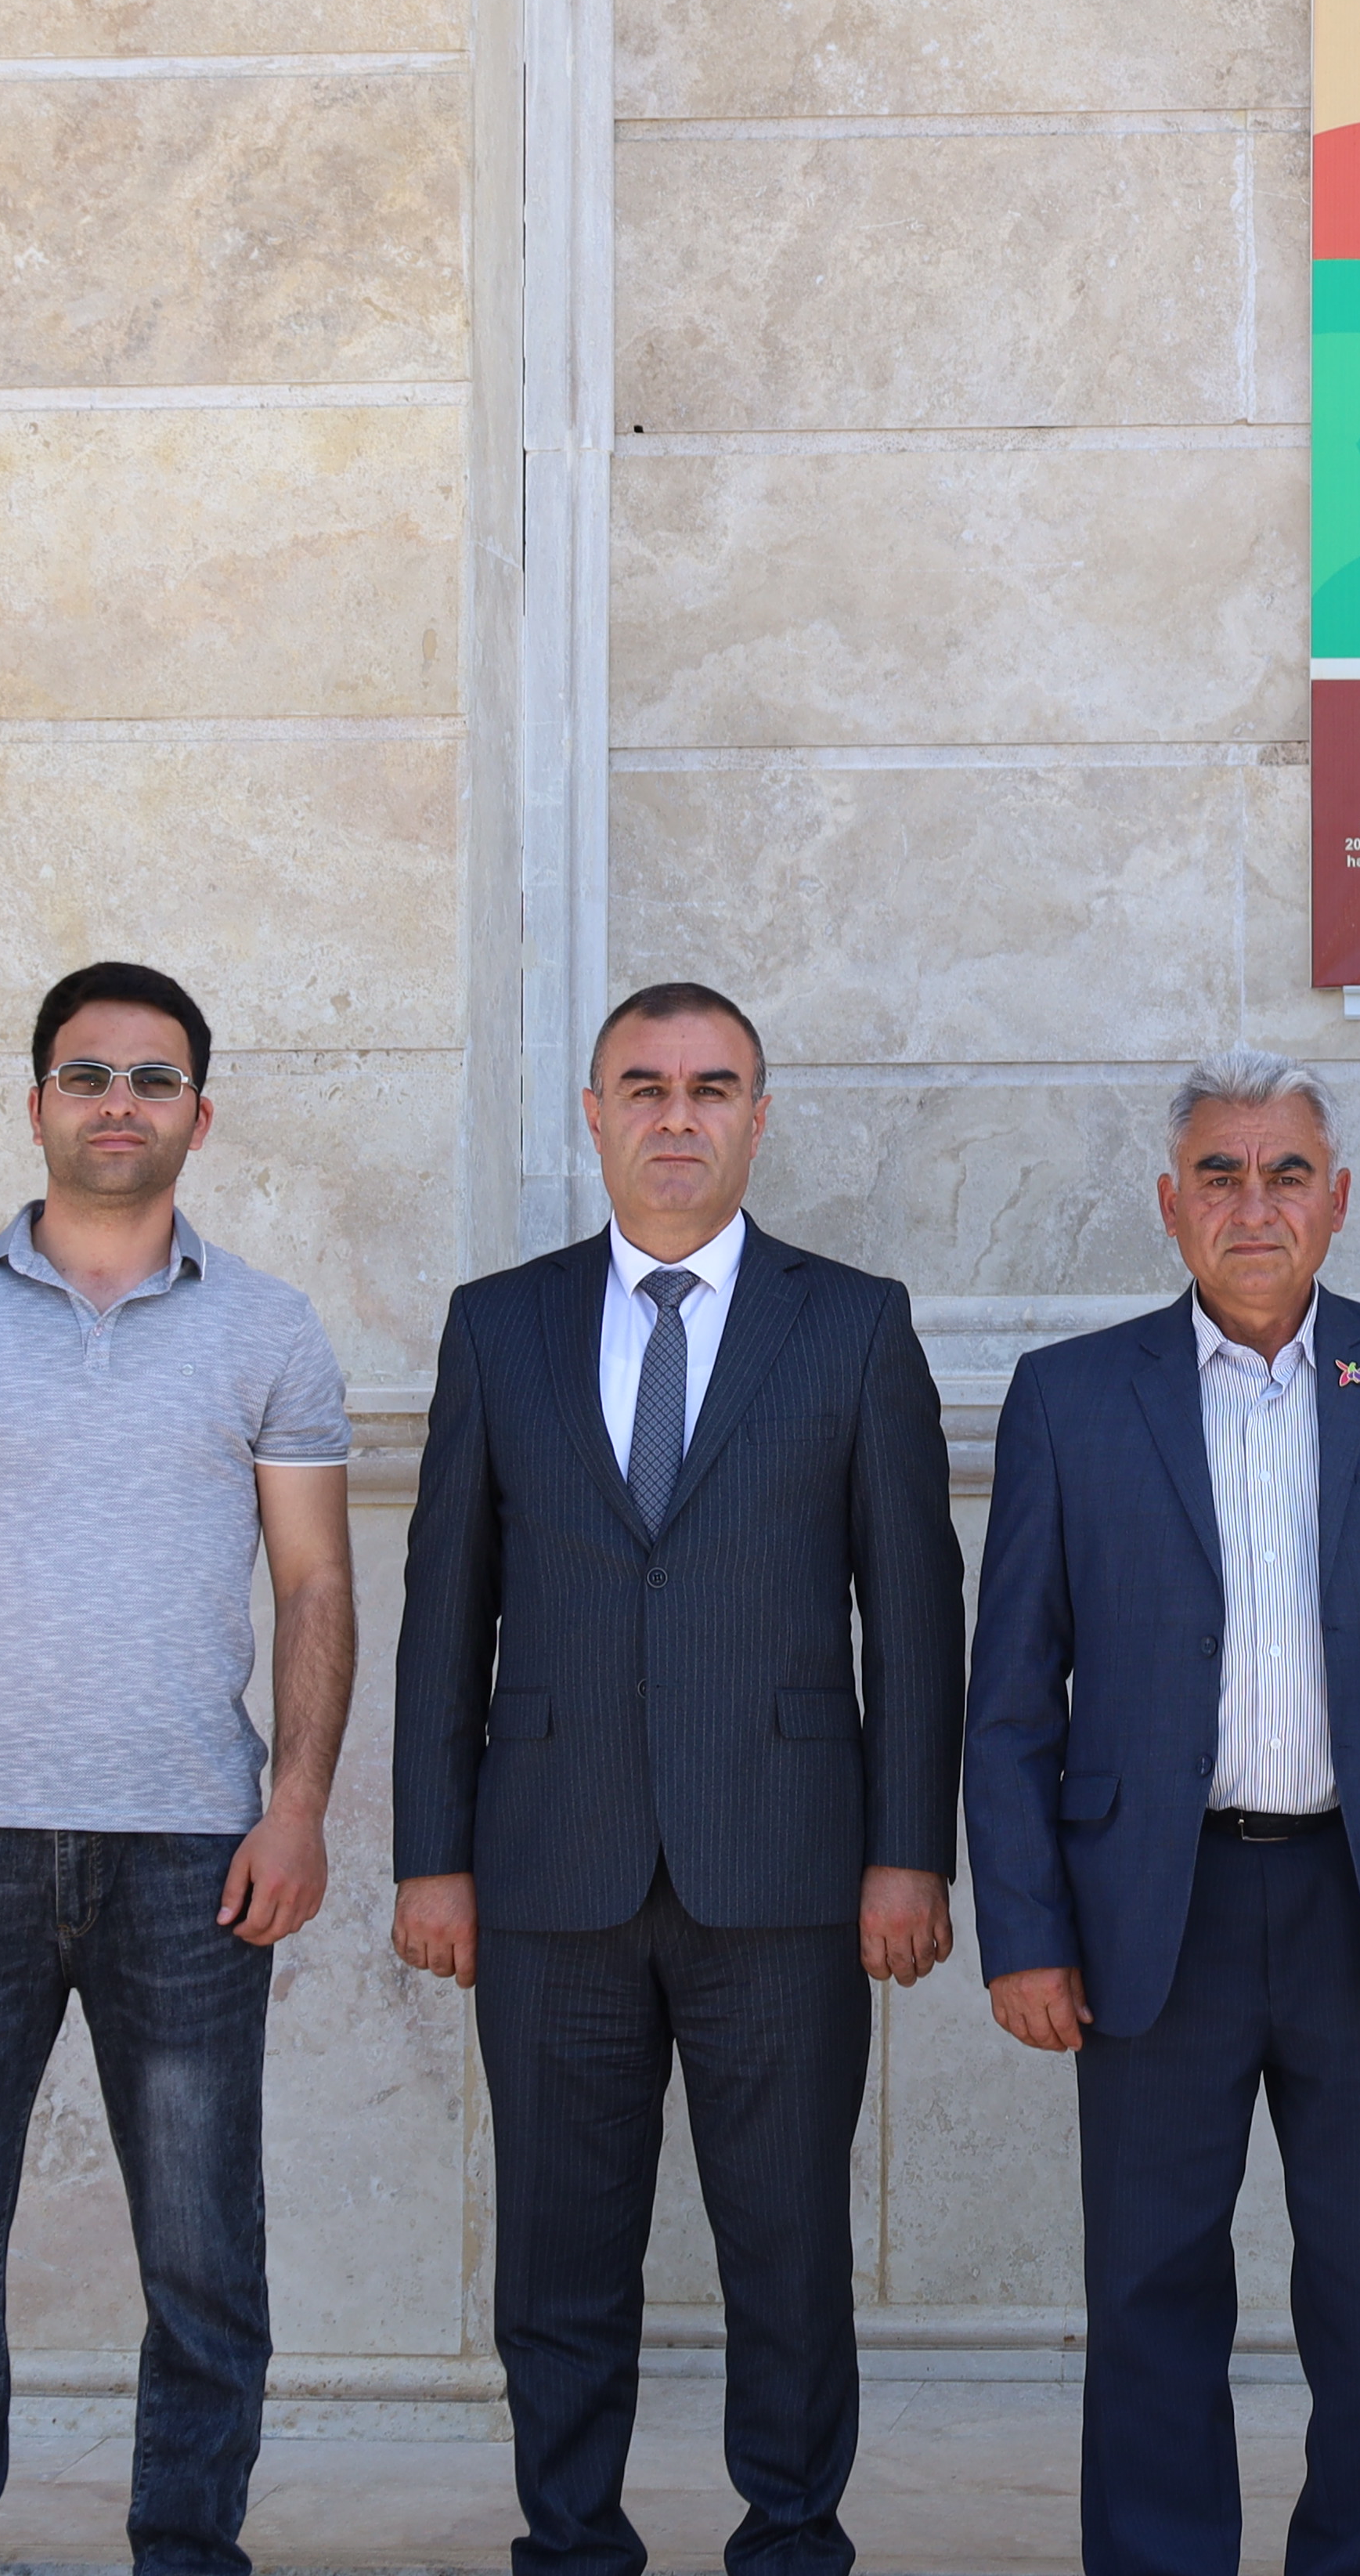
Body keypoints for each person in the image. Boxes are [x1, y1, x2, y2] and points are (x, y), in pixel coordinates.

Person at [0, 959, 359, 2576]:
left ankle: (187, 2547)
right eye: (90, 1074)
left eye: (153, 1077)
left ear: (199, 1114)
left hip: (193, 1853)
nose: (121, 1102)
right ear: (37, 1102)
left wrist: (297, 1806)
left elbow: (316, 1583)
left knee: (204, 2249)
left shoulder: (267, 1327)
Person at [391, 983, 965, 2576]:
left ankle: (792, 2539)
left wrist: (910, 1850)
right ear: (593, 1114)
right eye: (643, 1085)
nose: (677, 1115)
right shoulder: (499, 1324)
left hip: (784, 1870)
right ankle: (573, 2542)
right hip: (549, 1870)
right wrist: (431, 1855)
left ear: (758, 1118)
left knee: (787, 2251)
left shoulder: (853, 1324)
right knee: (558, 2259)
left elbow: (916, 1611)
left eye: (713, 1087)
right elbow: (446, 1608)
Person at [963, 1053, 1360, 2576]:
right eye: (1219, 1175)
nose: (1254, 1204)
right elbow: (1012, 1699)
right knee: (1149, 2291)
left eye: (1286, 1173)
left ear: (1336, 1201)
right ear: (1171, 1206)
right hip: (1153, 1913)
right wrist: (1023, 1931)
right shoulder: (1070, 1398)